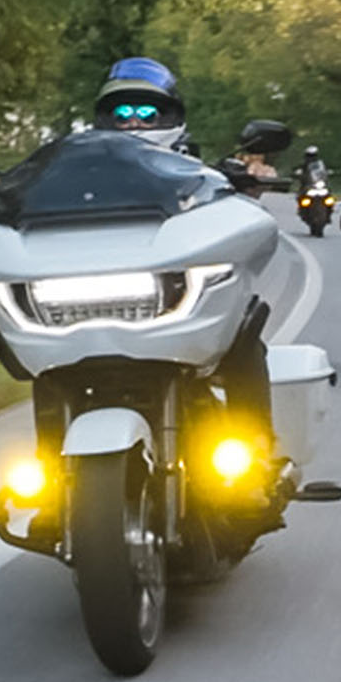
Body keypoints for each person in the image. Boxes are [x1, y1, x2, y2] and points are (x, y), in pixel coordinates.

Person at [90, 57, 274, 457]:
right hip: (96, 298)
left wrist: (247, 184)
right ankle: (51, 470)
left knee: (244, 325)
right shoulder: (78, 172)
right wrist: (3, 190)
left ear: (169, 114)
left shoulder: (199, 171)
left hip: (177, 294)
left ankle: (257, 446)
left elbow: (229, 202)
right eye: (122, 113)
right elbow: (33, 192)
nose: (134, 122)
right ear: (105, 118)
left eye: (147, 113)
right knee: (52, 368)